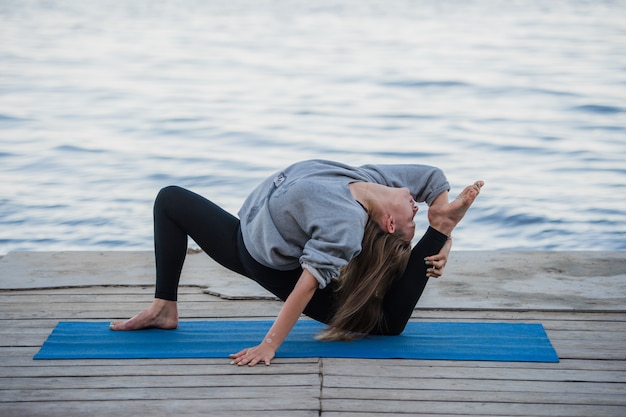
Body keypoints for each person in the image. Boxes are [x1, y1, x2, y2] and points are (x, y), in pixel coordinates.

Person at [110, 159, 483, 367]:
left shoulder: (346, 224)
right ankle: (163, 308)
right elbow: (433, 177)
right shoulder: (372, 178)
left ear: (388, 224)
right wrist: (442, 211)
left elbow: (306, 285)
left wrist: (270, 344)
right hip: (241, 238)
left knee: (386, 325)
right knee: (170, 199)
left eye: (413, 221)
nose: (417, 209)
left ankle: (441, 231)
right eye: (418, 216)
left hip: (276, 269)